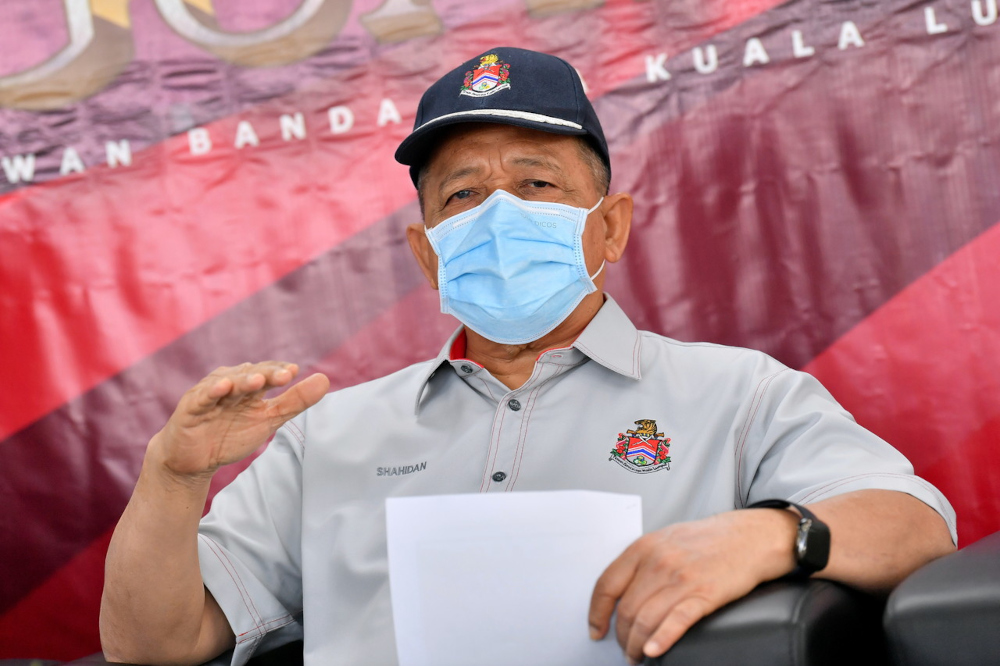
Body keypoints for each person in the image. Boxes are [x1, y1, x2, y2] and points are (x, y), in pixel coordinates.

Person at [100, 47, 957, 666]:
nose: (498, 214)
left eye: (537, 183)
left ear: (610, 226)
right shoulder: (328, 434)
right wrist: (173, 480)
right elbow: (152, 645)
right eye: (463, 194)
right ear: (428, 250)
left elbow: (915, 527)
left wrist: (774, 535)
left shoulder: (736, 394)